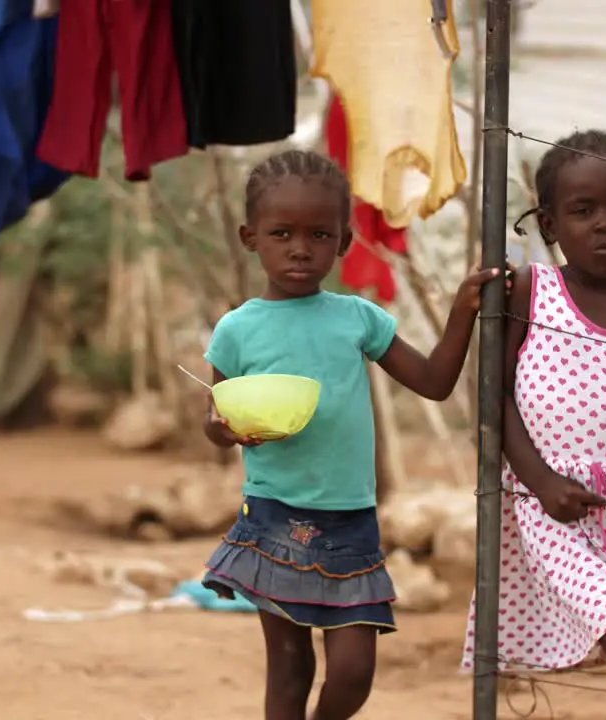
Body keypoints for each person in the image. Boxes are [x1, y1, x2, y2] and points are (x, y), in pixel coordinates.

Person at [200, 148, 506, 720]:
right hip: (274, 517)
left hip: (352, 523)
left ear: (342, 242)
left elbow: (436, 382)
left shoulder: (358, 318)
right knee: (290, 670)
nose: (300, 247)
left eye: (319, 234)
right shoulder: (237, 330)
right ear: (250, 237)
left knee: (353, 674)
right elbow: (217, 420)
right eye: (282, 233)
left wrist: (463, 314)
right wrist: (226, 431)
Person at [461, 130, 606, 720]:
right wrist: (539, 480)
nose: (604, 223)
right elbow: (494, 394)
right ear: (549, 225)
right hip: (552, 510)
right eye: (582, 210)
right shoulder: (530, 292)